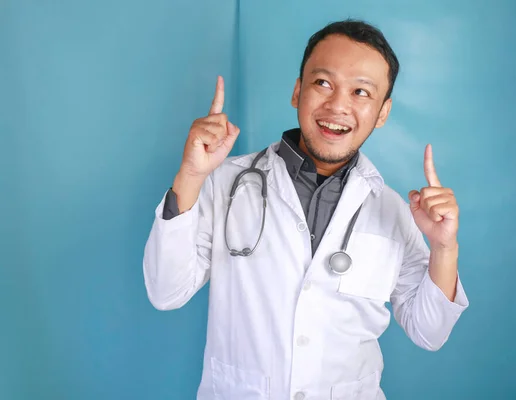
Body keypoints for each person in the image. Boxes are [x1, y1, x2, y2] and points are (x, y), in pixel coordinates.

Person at [143, 19, 469, 400]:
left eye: (361, 91)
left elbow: (428, 332)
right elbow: (166, 292)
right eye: (323, 83)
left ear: (382, 112)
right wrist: (191, 174)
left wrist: (445, 248)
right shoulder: (224, 182)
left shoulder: (394, 211)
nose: (338, 106)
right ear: (298, 91)